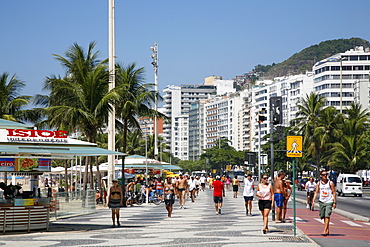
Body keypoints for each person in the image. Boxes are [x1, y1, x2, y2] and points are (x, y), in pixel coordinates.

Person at [312, 170, 337, 236]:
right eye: (323, 175)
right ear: (321, 176)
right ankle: (327, 229)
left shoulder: (330, 183)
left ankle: (325, 230)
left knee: (327, 215)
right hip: (322, 201)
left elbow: (334, 192)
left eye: (326, 174)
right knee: (322, 216)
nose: (325, 176)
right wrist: (313, 201)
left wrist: (334, 202)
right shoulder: (319, 183)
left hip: (329, 201)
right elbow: (316, 192)